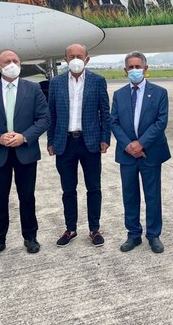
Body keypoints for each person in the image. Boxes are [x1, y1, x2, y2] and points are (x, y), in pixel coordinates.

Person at [0, 49, 50, 260]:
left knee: (27, 197)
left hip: (25, 152)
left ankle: (30, 237)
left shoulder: (33, 89)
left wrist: (24, 137)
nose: (12, 64)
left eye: (15, 60)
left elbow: (44, 119)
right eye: (7, 61)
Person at [47, 44, 110, 248]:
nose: (75, 59)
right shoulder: (55, 83)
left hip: (89, 141)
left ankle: (94, 229)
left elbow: (105, 113)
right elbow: (51, 115)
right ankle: (70, 228)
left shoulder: (97, 81)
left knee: (93, 188)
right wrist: (50, 141)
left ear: (87, 59)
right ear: (65, 59)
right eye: (71, 56)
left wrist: (105, 138)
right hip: (64, 143)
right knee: (68, 189)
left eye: (79, 56)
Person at [111, 51, 171, 253]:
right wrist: (129, 145)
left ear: (146, 69)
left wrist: (141, 144)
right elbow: (114, 122)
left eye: (138, 67)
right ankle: (133, 234)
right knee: (130, 195)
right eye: (131, 67)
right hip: (127, 154)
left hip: (150, 153)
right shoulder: (119, 95)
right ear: (125, 70)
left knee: (152, 195)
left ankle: (154, 235)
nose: (134, 70)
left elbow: (160, 122)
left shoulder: (159, 92)